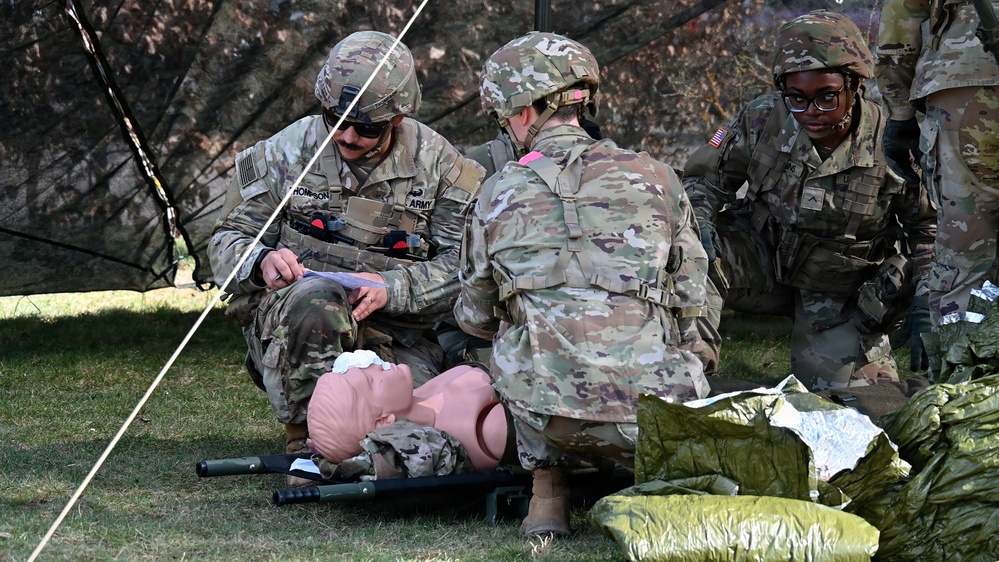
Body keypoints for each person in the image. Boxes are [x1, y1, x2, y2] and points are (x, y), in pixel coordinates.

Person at [455, 31, 711, 539]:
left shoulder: (496, 191)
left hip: (547, 415)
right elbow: (691, 299)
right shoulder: (658, 176)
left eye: (503, 114)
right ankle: (655, 479)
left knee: (512, 339)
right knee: (677, 337)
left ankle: (547, 495)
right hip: (652, 417)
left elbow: (476, 317)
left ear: (524, 111)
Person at [208, 31, 486, 481]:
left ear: (398, 118)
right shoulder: (286, 152)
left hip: (398, 334)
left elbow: (468, 267)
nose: (348, 135)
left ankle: (360, 453)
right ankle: (308, 438)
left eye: (367, 127)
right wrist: (260, 260)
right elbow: (226, 238)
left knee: (420, 430)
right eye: (335, 119)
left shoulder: (443, 168)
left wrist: (393, 289)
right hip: (298, 326)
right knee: (316, 299)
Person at [682, 10, 937, 391]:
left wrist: (927, 299)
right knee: (687, 252)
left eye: (826, 97)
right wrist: (698, 227)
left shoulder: (892, 140)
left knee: (859, 407)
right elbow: (703, 182)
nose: (810, 112)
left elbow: (928, 227)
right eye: (797, 98)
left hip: (839, 288)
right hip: (758, 259)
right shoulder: (763, 117)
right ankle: (686, 380)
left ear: (855, 87)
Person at [875, 0, 999, 377]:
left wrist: (899, 112)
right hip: (969, 75)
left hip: (969, 76)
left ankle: (960, 402)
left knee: (966, 252)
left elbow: (902, 17)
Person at [306, 350, 509, 472]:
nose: (374, 366)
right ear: (384, 420)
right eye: (371, 381)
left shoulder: (420, 396)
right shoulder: (481, 429)